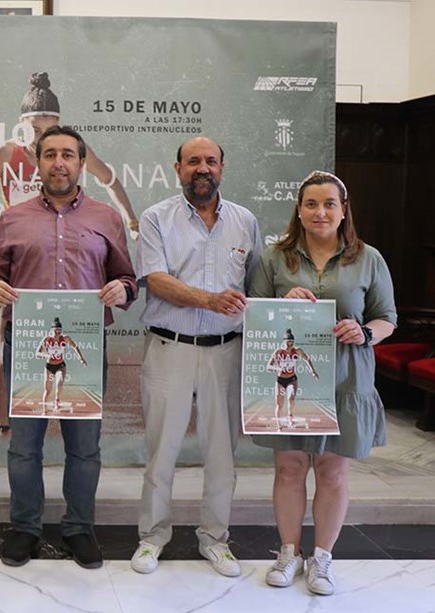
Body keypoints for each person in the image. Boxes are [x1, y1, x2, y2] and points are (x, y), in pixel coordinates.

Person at [0, 125, 137, 569]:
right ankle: (25, 528)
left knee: (84, 447)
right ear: (37, 162)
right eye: (50, 154)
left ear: (81, 163)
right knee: (24, 447)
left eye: (68, 154)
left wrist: (123, 290)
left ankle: (79, 528)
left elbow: (127, 278)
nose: (59, 163)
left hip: (84, 346)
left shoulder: (106, 218)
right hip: (27, 346)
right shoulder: (14, 217)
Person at [0, 72, 141, 434]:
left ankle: (73, 415)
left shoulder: (70, 152)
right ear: (21, 124)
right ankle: (5, 422)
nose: (40, 138)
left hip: (69, 262)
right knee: (8, 340)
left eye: (47, 129)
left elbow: (109, 179)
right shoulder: (6, 152)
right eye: (34, 130)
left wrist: (131, 218)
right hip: (23, 260)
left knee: (74, 342)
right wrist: (12, 216)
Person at [249, 170, 396, 595]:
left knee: (332, 470)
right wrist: (281, 303)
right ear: (299, 210)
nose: (320, 212)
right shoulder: (275, 258)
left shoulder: (368, 258)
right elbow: (253, 314)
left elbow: (387, 319)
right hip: (291, 376)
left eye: (329, 204)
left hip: (346, 377)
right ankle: (289, 552)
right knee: (289, 467)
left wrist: (364, 332)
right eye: (311, 204)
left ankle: (323, 558)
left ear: (343, 209)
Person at [133, 137, 262, 577]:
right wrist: (209, 300)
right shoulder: (156, 218)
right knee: (161, 452)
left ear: (222, 168)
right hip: (169, 347)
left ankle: (215, 539)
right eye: (193, 161)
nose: (202, 168)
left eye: (210, 161)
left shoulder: (245, 221)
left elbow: (257, 286)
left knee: (222, 455)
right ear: (178, 169)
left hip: (226, 351)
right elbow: (155, 279)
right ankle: (152, 538)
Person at [266, 328, 319, 429]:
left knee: (291, 398)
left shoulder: (297, 351)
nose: (290, 346)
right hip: (280, 380)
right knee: (279, 404)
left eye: (292, 343)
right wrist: (278, 368)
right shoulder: (278, 352)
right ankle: (279, 426)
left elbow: (307, 359)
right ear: (283, 342)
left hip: (292, 379)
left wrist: (313, 371)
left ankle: (290, 414)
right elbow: (268, 366)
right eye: (288, 343)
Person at [35, 317, 88, 413]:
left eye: (59, 331)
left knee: (59, 384)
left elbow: (75, 346)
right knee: (47, 390)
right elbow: (37, 353)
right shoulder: (47, 339)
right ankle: (44, 410)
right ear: (51, 330)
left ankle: (57, 400)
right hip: (50, 367)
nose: (57, 334)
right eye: (55, 331)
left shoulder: (65, 338)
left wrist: (81, 358)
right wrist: (46, 355)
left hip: (60, 365)